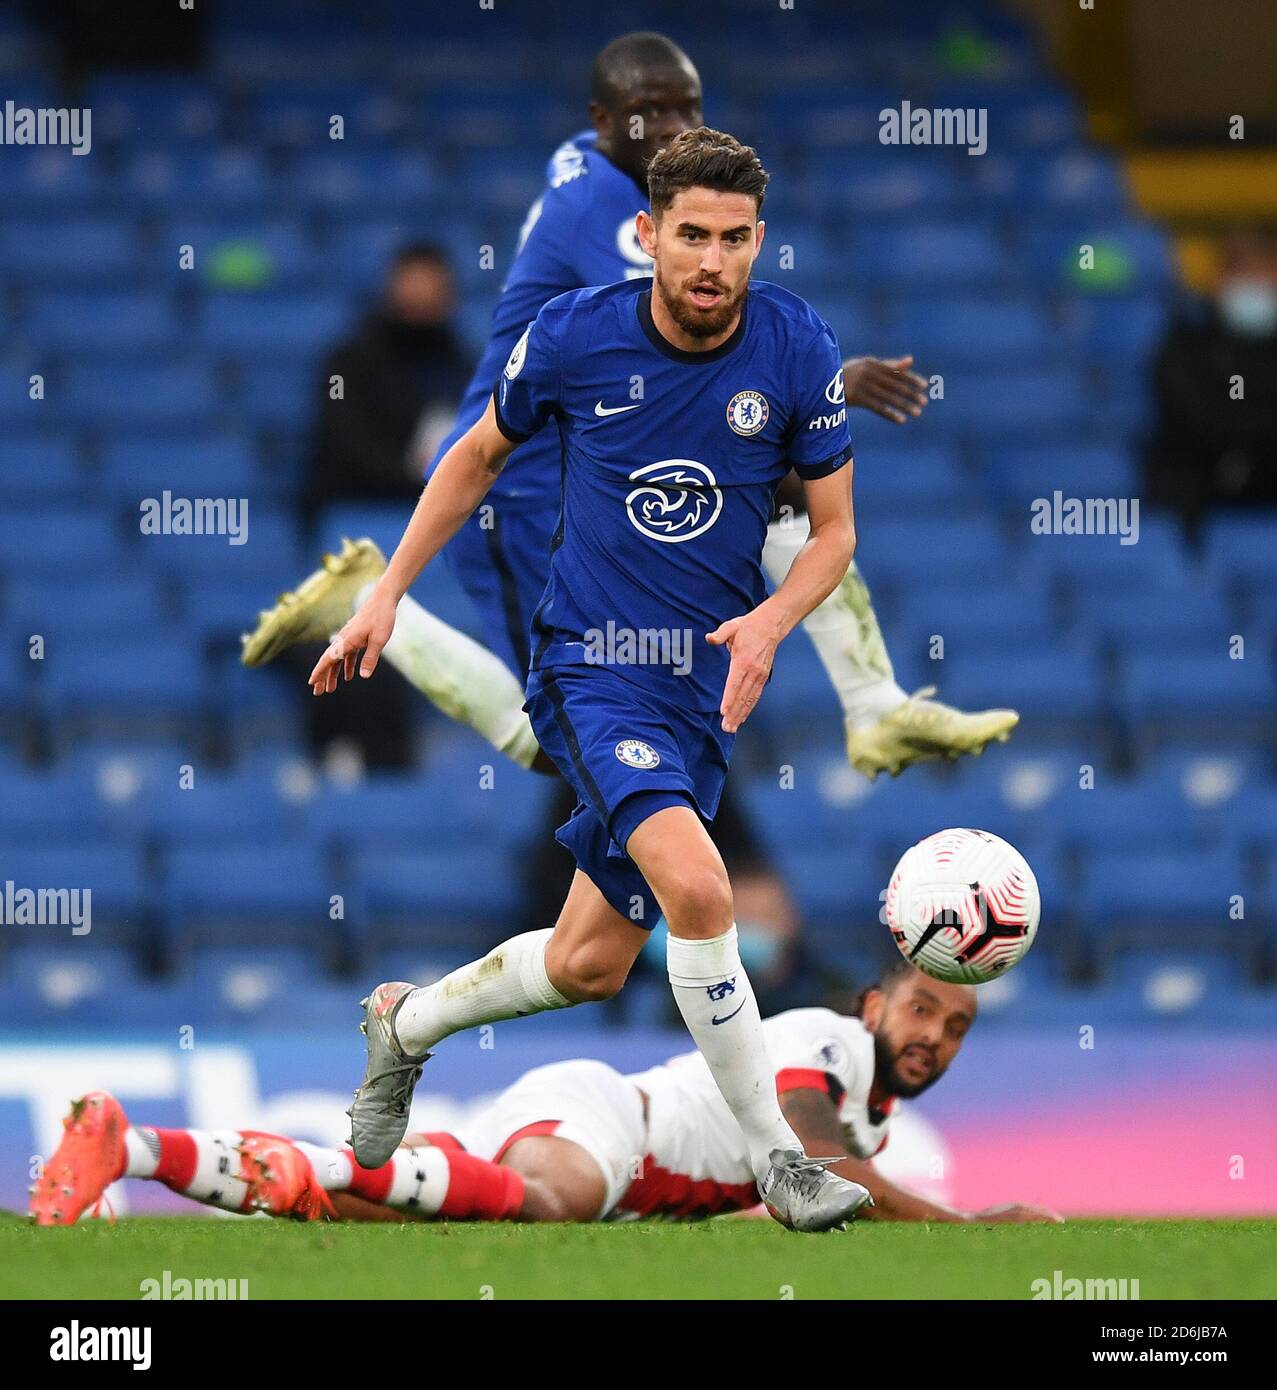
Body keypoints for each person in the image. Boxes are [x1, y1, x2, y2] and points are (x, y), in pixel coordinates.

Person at [307, 127, 872, 1232]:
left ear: (760, 241)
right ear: (650, 235)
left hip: (694, 691)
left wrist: (769, 619)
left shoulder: (797, 346)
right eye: (692, 236)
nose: (712, 261)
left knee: (587, 963)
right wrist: (386, 593)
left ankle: (406, 1026)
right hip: (589, 667)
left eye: (736, 238)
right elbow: (473, 456)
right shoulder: (575, 335)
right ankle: (780, 1166)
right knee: (702, 892)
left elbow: (834, 532)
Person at [243, 31, 1017, 781]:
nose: (675, 128)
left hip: (608, 466)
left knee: (777, 503)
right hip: (517, 489)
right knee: (564, 745)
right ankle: (381, 611)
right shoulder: (608, 217)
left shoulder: (591, 167)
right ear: (604, 123)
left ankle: (873, 704)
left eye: (690, 108)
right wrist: (825, 376)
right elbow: (700, 313)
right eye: (652, 111)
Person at [31, 965, 1062, 1227]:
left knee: (360, 1204)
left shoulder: (870, 1099)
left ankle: (129, 1151)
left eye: (957, 1026)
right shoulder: (822, 1039)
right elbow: (815, 1159)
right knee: (544, 1205)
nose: (932, 1036)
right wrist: (972, 1233)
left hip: (590, 1127)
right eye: (922, 1010)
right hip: (609, 1126)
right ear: (877, 1003)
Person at [307, 242, 472, 517]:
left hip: (440, 512)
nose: (421, 297)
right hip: (361, 509)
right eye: (413, 285)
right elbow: (345, 446)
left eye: (431, 286)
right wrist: (417, 477)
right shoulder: (349, 364)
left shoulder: (462, 367)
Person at [1145, 225, 1277, 529]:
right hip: (1198, 497)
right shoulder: (1187, 344)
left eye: (1264, 276)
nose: (1256, 287)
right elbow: (1195, 414)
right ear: (1221, 280)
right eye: (1245, 275)